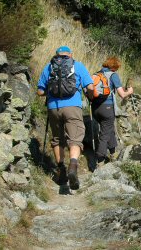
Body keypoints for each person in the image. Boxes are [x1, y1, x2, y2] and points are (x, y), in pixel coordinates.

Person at [37, 46, 94, 190]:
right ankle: (73, 166)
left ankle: (61, 171)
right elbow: (91, 87)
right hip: (73, 107)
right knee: (75, 138)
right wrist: (89, 96)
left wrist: (51, 93)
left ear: (57, 55)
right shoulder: (77, 65)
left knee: (58, 139)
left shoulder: (49, 67)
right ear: (70, 54)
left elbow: (40, 91)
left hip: (53, 108)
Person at [91, 56, 133, 165]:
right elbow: (122, 94)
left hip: (95, 108)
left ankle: (113, 153)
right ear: (114, 67)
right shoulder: (113, 75)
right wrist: (130, 91)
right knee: (104, 134)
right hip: (107, 108)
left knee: (109, 129)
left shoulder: (96, 74)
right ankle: (100, 160)